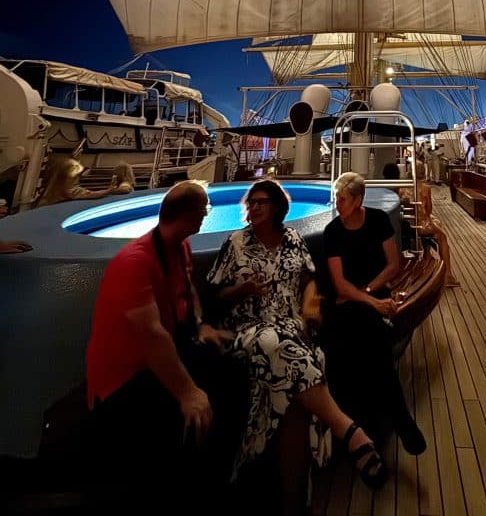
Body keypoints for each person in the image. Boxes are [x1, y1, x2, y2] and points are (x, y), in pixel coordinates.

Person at [206, 179, 387, 506]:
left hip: (292, 324)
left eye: (262, 201)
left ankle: (293, 499)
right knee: (278, 344)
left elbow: (308, 280)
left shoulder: (291, 240)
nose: (255, 207)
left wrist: (309, 306)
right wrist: (242, 290)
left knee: (292, 386)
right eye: (252, 202)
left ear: (276, 206)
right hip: (252, 328)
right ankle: (349, 431)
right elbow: (214, 297)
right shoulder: (235, 243)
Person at [85, 181, 244, 510]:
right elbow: (151, 335)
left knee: (232, 369)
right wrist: (188, 393)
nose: (206, 216)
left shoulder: (179, 247)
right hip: (126, 377)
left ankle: (221, 477)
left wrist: (201, 325)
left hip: (167, 352)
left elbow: (187, 292)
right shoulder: (134, 262)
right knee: (186, 413)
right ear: (190, 215)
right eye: (204, 211)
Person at [322, 172, 426, 456]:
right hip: (348, 301)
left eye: (342, 199)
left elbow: (393, 265)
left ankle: (382, 426)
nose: (337, 203)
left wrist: (369, 292)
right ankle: (395, 422)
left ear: (357, 200)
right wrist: (370, 300)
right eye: (336, 198)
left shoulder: (378, 220)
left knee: (374, 347)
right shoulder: (333, 231)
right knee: (358, 346)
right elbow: (340, 284)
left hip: (368, 296)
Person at [397, 164, 459, 287]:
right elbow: (428, 210)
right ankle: (448, 274)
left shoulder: (402, 188)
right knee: (442, 236)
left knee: (435, 224)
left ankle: (427, 257)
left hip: (407, 224)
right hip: (421, 225)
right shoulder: (425, 188)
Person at [33, 154, 114, 207]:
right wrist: (110, 190)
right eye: (76, 177)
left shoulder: (43, 189)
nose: (77, 179)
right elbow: (91, 194)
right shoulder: (71, 190)